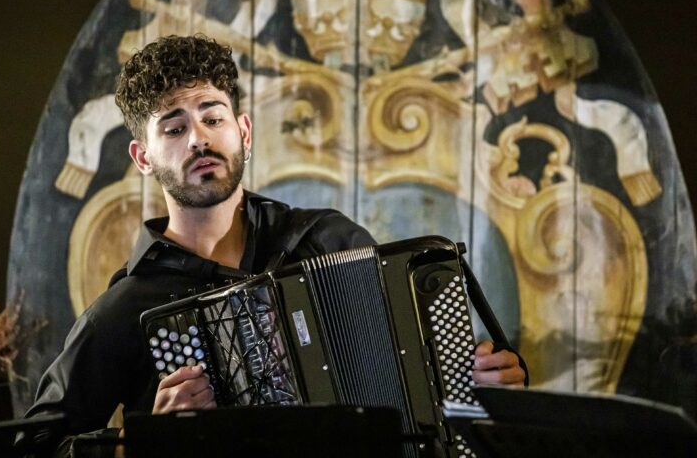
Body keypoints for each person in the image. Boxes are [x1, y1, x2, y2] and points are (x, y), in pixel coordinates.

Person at [26, 34, 526, 454]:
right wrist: (139, 443)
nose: (199, 138)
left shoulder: (328, 240)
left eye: (213, 117)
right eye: (174, 128)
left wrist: (484, 384)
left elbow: (423, 390)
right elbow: (34, 445)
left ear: (243, 132)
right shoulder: (126, 309)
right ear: (143, 158)